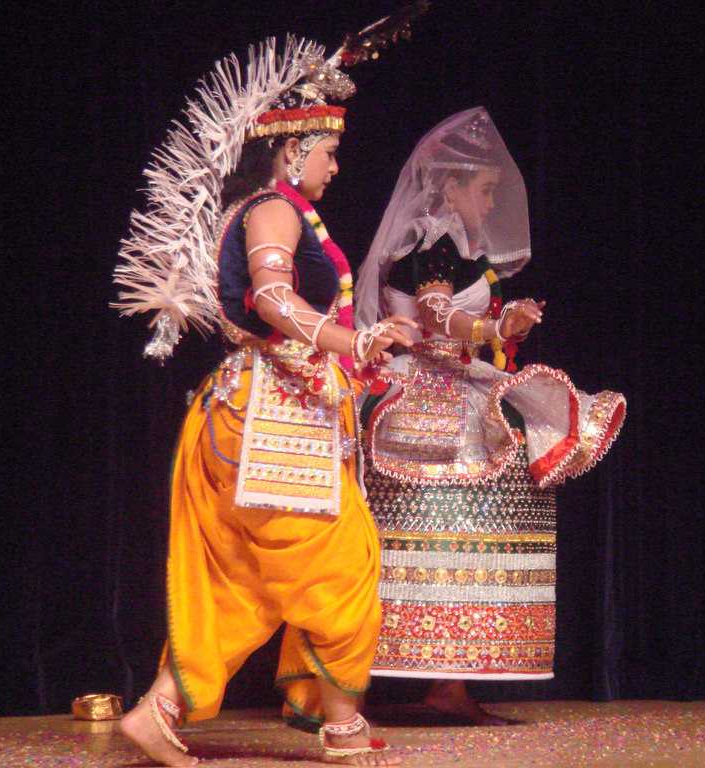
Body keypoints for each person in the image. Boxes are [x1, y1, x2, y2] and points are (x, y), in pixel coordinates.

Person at [112, 32, 422, 767]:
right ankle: (339, 726)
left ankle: (164, 711)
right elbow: (273, 297)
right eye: (329, 152)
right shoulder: (273, 211)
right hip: (264, 418)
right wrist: (353, 341)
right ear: (292, 150)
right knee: (341, 564)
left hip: (264, 410)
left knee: (249, 580)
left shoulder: (281, 211)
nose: (335, 166)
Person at [355, 107, 627, 724]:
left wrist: (504, 326)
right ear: (450, 188)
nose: (491, 201)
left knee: (469, 521)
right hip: (427, 390)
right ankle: (366, 679)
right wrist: (492, 328)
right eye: (484, 189)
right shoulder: (433, 241)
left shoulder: (459, 248)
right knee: (429, 523)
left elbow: (459, 320)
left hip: (457, 382)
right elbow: (435, 315)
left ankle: (446, 681)